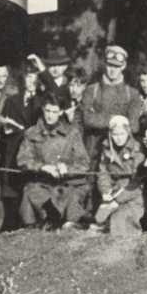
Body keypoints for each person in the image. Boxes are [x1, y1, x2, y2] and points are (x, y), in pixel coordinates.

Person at [16, 94, 89, 230]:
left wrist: (67, 168)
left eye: (55, 112)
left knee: (72, 197)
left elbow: (84, 163)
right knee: (32, 191)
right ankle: (49, 218)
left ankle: (69, 222)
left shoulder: (72, 133)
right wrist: (42, 167)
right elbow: (22, 160)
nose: (50, 116)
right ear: (43, 110)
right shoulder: (31, 133)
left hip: (67, 183)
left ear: (61, 112)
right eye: (48, 111)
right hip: (42, 183)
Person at [79, 45, 144, 159]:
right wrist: (113, 120)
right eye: (110, 65)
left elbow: (134, 126)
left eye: (116, 66)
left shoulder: (132, 94)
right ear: (105, 64)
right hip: (94, 149)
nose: (112, 70)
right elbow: (87, 118)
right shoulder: (92, 90)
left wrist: (99, 119)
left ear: (123, 66)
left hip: (121, 152)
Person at [93, 114, 145, 236]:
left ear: (128, 133)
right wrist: (105, 191)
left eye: (122, 134)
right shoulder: (106, 149)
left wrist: (117, 200)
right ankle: (105, 221)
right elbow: (103, 173)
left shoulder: (137, 149)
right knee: (103, 219)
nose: (119, 138)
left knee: (121, 220)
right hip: (114, 191)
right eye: (115, 135)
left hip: (132, 193)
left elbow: (138, 180)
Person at [0, 63, 27, 231]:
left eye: (3, 76)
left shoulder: (12, 94)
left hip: (7, 143)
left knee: (6, 181)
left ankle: (8, 219)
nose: (0, 80)